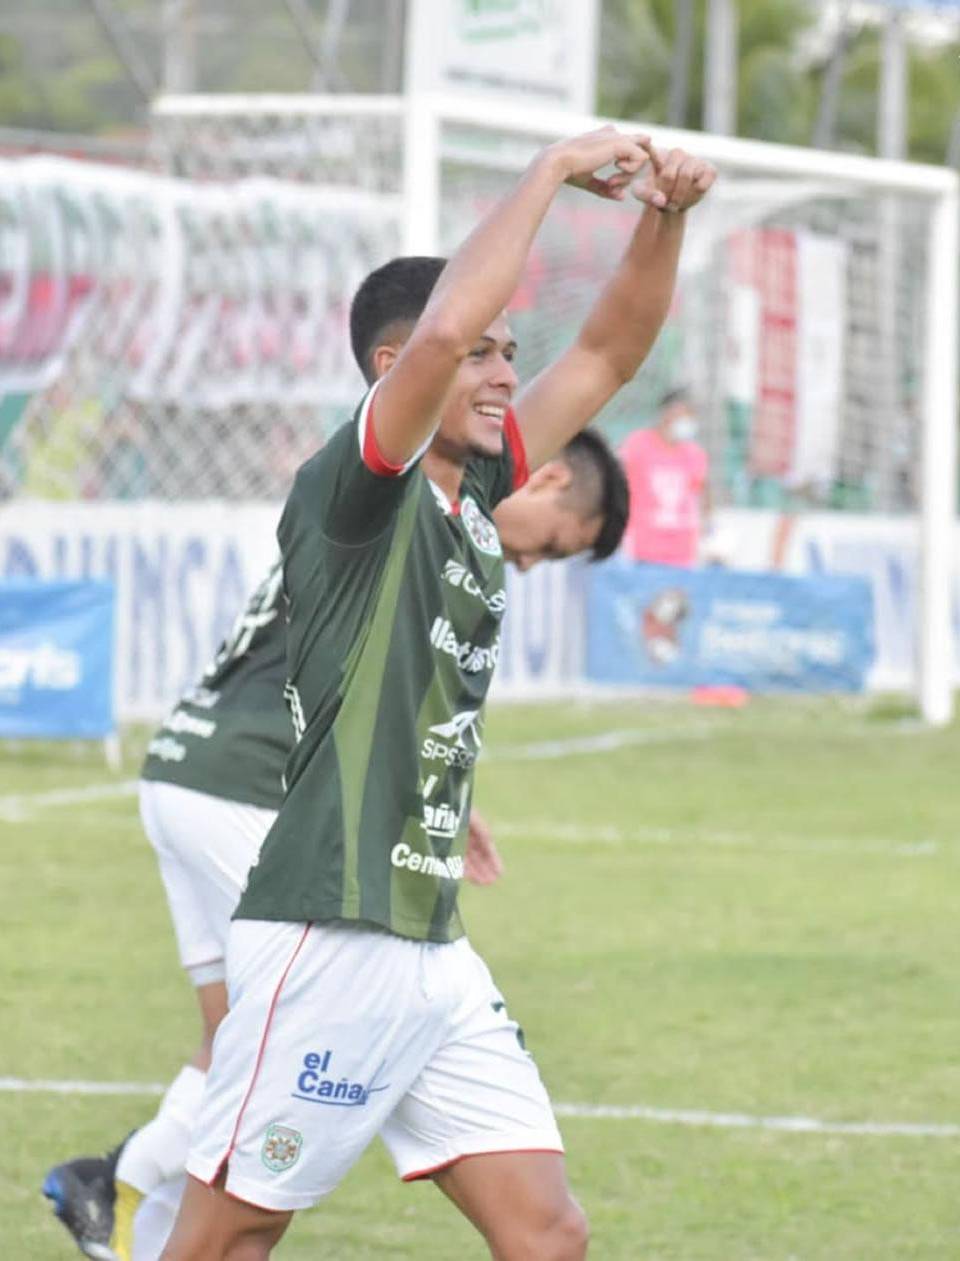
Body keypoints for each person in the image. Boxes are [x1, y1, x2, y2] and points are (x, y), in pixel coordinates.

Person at [155, 127, 712, 1260]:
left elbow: (607, 353)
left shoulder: (479, 487)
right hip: (329, 930)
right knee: (227, 1239)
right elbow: (450, 322)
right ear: (396, 372)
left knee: (549, 1232)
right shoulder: (358, 492)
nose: (506, 370)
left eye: (511, 352)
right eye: (482, 355)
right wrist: (551, 170)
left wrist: (667, 216)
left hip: (428, 945)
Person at [43, 428, 630, 1261]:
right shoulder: (405, 501)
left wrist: (435, 797)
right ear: (553, 477)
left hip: (186, 766)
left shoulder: (412, 516)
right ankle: (131, 1188)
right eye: (550, 549)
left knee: (245, 1032)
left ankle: (120, 1183)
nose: (529, 565)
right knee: (305, 1012)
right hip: (250, 785)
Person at [621, 386, 710, 568]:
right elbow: (619, 485)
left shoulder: (694, 454)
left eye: (690, 416)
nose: (687, 421)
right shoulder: (637, 445)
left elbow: (703, 494)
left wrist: (707, 529)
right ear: (667, 414)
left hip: (682, 551)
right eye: (684, 415)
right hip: (643, 548)